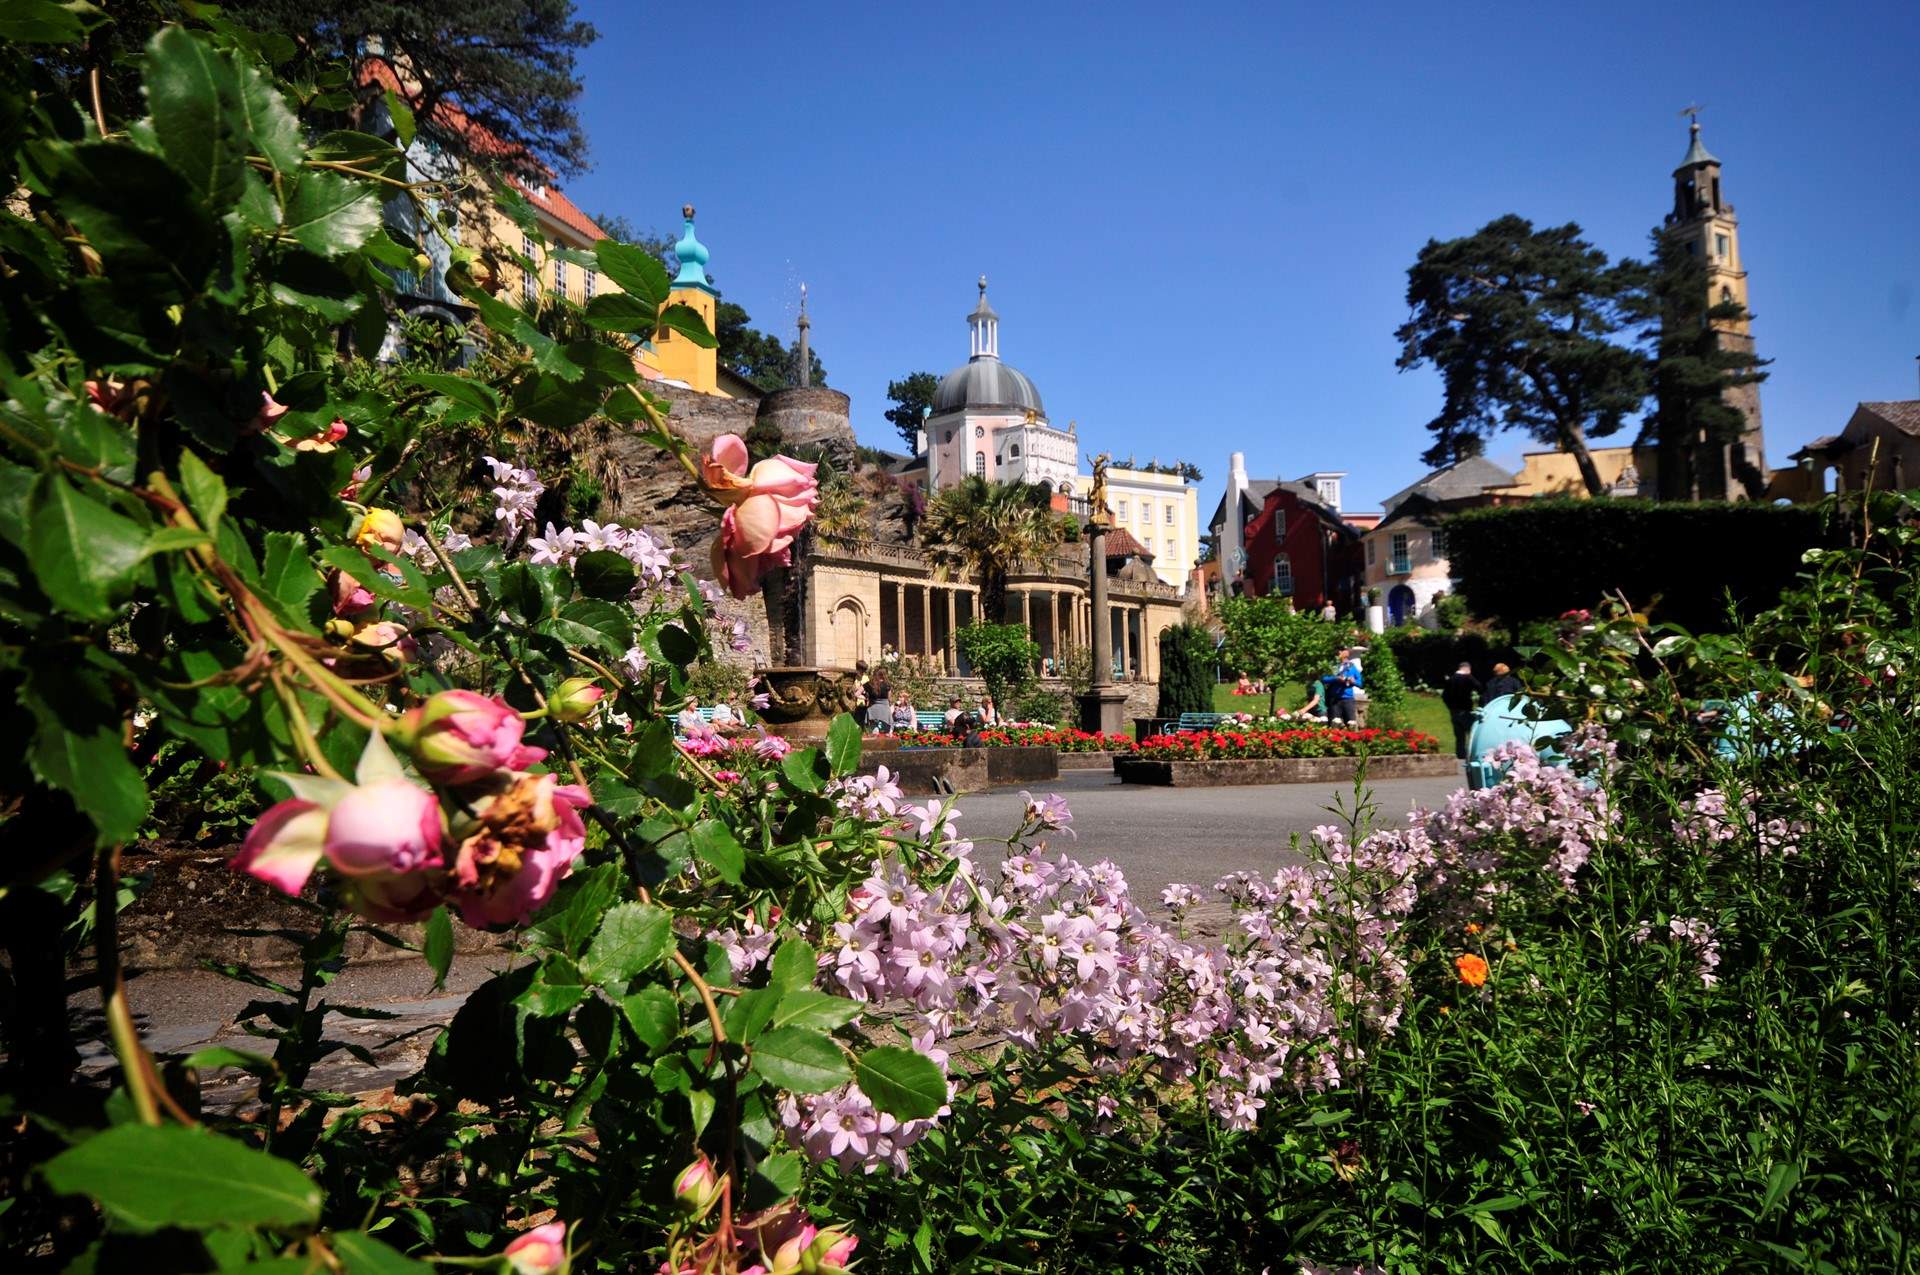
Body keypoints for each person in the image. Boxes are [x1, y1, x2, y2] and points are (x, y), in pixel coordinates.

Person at [1441, 662, 1482, 760]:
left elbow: (1444, 696)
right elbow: (1480, 687)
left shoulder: (1451, 679)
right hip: (1465, 709)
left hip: (1454, 711)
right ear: (1467, 669)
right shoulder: (1468, 678)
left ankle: (1460, 754)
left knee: (1459, 735)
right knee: (1472, 732)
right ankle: (1473, 753)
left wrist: (1450, 707)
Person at [1326, 648, 1364, 725]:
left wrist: (1353, 682)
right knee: (1334, 724)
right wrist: (1336, 678)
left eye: (1342, 651)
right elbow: (1324, 678)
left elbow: (1360, 684)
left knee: (1351, 723)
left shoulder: (1352, 667)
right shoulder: (1334, 666)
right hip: (1334, 699)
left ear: (1346, 653)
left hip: (1348, 699)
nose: (1339, 652)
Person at [864, 666, 893, 733]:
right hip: (884, 711)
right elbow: (889, 699)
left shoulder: (869, 684)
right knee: (885, 732)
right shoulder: (887, 684)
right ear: (884, 675)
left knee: (873, 732)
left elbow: (856, 694)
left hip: (872, 710)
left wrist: (865, 697)